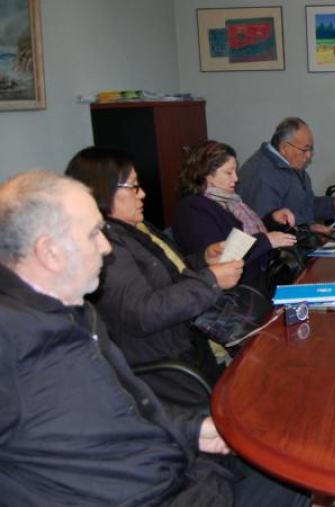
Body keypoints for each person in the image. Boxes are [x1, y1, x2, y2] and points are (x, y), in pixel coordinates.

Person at [0, 171, 309, 506]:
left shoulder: (77, 311)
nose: (106, 248)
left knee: (296, 450)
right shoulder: (12, 344)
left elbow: (130, 408)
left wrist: (195, 430)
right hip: (159, 494)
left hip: (181, 466)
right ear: (50, 253)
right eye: (93, 235)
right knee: (298, 471)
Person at [66, 146, 243, 409]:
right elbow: (144, 312)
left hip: (192, 344)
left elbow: (167, 273)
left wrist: (203, 259)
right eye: (134, 187)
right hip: (167, 368)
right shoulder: (105, 246)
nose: (143, 194)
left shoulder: (136, 227)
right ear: (104, 190)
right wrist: (210, 280)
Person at [173, 140, 298, 294]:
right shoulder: (193, 209)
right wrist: (267, 241)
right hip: (240, 294)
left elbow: (244, 233)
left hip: (260, 280)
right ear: (206, 174)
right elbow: (221, 257)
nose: (236, 178)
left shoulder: (228, 201)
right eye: (228, 172)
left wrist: (273, 220)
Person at [237, 117, 335, 234]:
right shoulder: (262, 175)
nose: (308, 155)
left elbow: (303, 205)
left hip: (298, 243)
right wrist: (308, 230)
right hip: (280, 249)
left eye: (310, 149)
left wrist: (332, 205)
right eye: (304, 150)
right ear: (284, 147)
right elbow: (266, 226)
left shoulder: (290, 164)